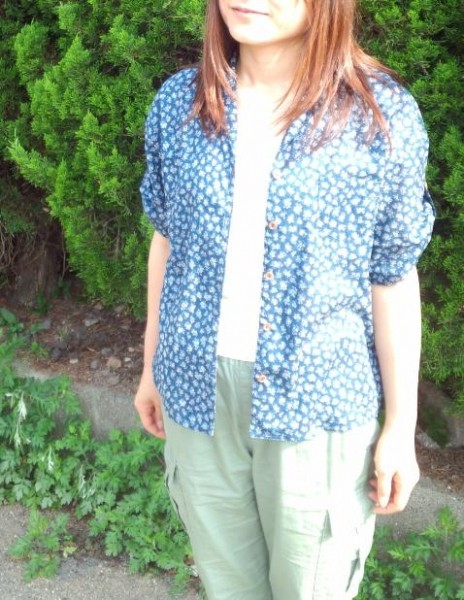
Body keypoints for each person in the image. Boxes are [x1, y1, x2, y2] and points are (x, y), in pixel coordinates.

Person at [135, 1, 435, 598]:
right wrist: (150, 367)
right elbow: (167, 241)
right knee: (228, 586)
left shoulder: (379, 117)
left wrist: (401, 426)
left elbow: (392, 276)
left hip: (316, 408)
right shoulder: (181, 104)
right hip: (198, 393)